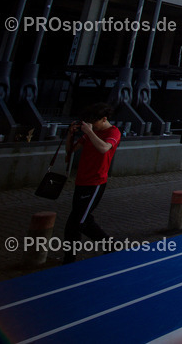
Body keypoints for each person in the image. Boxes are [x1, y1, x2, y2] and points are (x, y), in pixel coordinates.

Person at [64, 103, 121, 263]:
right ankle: (109, 246)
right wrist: (70, 135)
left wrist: (89, 132)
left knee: (77, 222)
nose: (92, 126)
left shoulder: (113, 132)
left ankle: (71, 259)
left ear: (104, 119)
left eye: (94, 123)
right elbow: (70, 151)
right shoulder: (91, 133)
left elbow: (104, 148)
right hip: (81, 180)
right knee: (80, 220)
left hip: (96, 182)